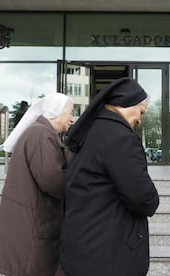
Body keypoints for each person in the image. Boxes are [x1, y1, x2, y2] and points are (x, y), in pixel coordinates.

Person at [58, 77, 160, 276]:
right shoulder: (120, 138)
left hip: (83, 245)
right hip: (107, 254)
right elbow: (143, 198)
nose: (140, 119)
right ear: (128, 104)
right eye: (141, 112)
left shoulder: (91, 131)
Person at [0, 93, 74, 276]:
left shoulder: (39, 132)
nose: (72, 118)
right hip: (33, 226)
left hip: (29, 222)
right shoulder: (42, 135)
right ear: (56, 113)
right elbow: (54, 181)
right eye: (70, 113)